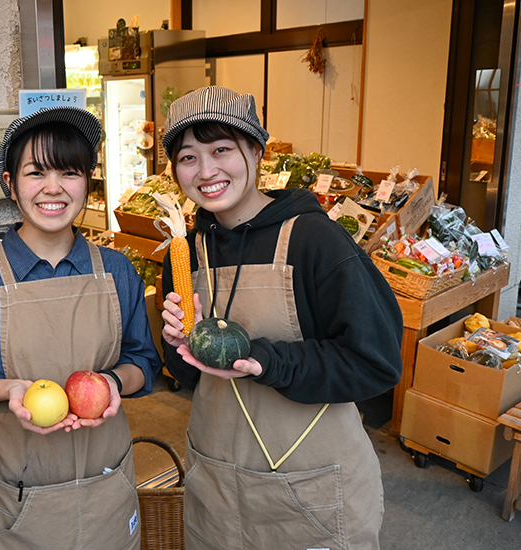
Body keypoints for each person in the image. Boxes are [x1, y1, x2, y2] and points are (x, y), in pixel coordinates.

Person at [158, 86, 403, 550]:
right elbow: (187, 376)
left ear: (256, 151)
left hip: (311, 491)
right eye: (188, 157)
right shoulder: (186, 252)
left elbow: (377, 361)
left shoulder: (315, 240)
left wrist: (268, 362)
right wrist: (178, 345)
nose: (206, 171)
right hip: (218, 487)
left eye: (222, 150)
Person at [0, 106, 161, 550]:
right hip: (12, 495)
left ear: (88, 180)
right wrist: (9, 390)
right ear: (10, 183)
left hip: (105, 485)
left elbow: (142, 362)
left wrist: (113, 383)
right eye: (36, 172)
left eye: (69, 172)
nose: (53, 187)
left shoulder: (117, 270)